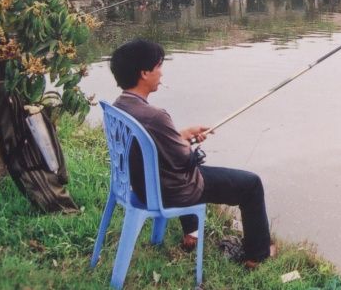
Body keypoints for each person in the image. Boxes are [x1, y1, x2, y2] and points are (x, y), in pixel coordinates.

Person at [109, 39, 273, 267]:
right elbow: (184, 161)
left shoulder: (120, 105)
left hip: (141, 186)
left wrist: (181, 135)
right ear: (144, 73)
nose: (161, 73)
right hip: (167, 191)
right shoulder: (155, 116)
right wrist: (186, 144)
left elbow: (153, 144)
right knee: (250, 185)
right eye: (158, 67)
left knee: (188, 171)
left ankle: (191, 234)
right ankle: (257, 255)